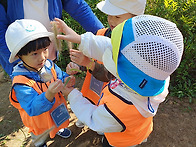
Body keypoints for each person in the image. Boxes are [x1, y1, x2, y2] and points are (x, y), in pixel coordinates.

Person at [55, 14, 184, 147]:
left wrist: (71, 94)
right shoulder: (155, 71)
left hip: (121, 142)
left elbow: (93, 117)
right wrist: (80, 39)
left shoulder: (120, 109)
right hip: (136, 129)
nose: (112, 52)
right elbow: (111, 48)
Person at [66, 0, 146, 128]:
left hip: (111, 93)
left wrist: (88, 63)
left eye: (117, 16)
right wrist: (79, 65)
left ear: (135, 18)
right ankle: (85, 116)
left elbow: (114, 75)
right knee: (89, 100)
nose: (111, 20)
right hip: (92, 86)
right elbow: (88, 56)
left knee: (103, 112)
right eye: (109, 15)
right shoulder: (101, 33)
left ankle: (99, 124)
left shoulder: (134, 49)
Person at [6, 19, 75, 147]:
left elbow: (59, 75)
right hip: (39, 119)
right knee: (39, 133)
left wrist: (67, 79)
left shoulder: (48, 64)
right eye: (34, 53)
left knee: (56, 122)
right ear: (20, 55)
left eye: (45, 49)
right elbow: (32, 108)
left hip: (56, 110)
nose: (42, 57)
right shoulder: (21, 83)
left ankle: (58, 129)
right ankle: (40, 143)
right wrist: (49, 94)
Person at [0, 0, 104, 76]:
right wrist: (22, 65)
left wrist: (104, 36)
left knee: (53, 88)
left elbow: (79, 8)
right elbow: (1, 33)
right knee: (31, 95)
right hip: (22, 60)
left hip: (47, 52)